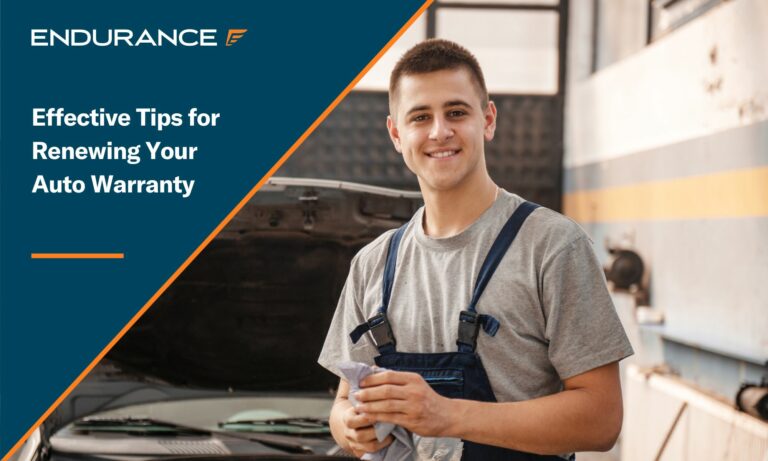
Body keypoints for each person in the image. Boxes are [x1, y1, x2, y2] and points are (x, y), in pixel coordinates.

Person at [318, 39, 633, 460]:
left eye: (456, 112)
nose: (439, 132)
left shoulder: (553, 247)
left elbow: (602, 419)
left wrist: (447, 416)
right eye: (420, 117)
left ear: (488, 120)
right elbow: (341, 404)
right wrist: (350, 429)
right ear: (396, 133)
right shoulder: (372, 265)